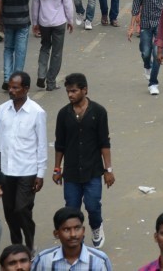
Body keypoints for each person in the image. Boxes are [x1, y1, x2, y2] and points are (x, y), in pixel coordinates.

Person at [53, 74, 114, 250]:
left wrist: (108, 169)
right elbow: (60, 145)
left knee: (93, 205)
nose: (70, 95)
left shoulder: (99, 112)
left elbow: (104, 143)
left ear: (84, 90)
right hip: (71, 173)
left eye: (74, 91)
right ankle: (74, 238)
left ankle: (96, 227)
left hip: (93, 171)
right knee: (71, 209)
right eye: (68, 92)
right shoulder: (63, 114)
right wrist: (57, 169)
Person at [0, 71, 47, 254]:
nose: (11, 90)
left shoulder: (37, 112)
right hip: (6, 170)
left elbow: (42, 144)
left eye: (15, 87)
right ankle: (17, 244)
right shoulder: (2, 110)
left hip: (27, 170)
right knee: (9, 210)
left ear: (26, 89)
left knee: (22, 209)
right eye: (10, 86)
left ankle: (29, 244)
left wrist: (40, 173)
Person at [31, 207, 112, 270]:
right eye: (66, 229)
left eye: (77, 228)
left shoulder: (99, 261)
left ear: (83, 231)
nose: (73, 234)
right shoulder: (43, 260)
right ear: (56, 234)